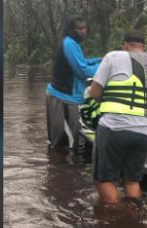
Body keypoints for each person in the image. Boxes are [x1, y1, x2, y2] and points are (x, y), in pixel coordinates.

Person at [86, 30, 147, 204]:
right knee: (131, 180)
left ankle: (119, 220)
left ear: (125, 45)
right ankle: (134, 217)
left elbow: (94, 92)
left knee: (104, 179)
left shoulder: (114, 57)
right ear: (144, 47)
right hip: (144, 132)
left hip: (114, 128)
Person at [46, 16, 101, 150]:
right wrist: (105, 66)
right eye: (79, 28)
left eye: (84, 28)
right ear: (71, 29)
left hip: (69, 96)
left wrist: (100, 59)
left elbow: (83, 62)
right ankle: (62, 169)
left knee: (71, 139)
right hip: (63, 97)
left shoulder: (74, 44)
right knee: (64, 142)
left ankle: (63, 168)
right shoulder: (69, 44)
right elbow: (82, 71)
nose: (83, 31)